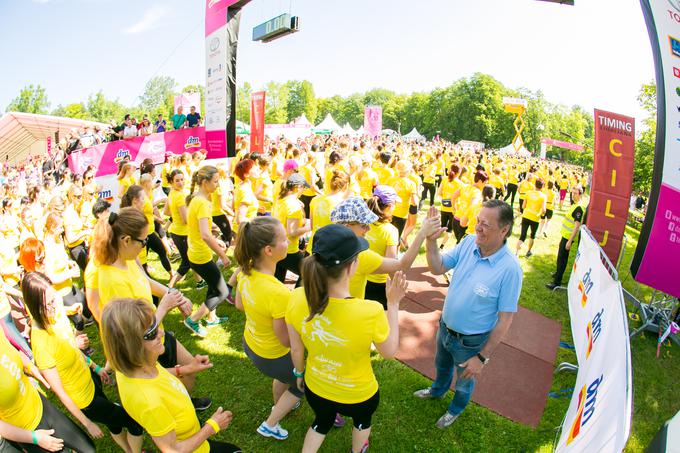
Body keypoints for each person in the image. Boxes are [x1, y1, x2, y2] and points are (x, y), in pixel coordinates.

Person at [285, 224, 408, 453]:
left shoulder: (296, 296)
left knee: (321, 423)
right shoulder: (370, 310)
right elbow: (389, 352)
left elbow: (296, 350)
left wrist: (299, 374)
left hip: (315, 388)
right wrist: (392, 303)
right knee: (361, 424)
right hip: (359, 395)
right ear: (353, 266)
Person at [91, 207, 213, 410]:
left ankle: (183, 403)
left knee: (188, 374)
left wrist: (176, 296)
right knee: (178, 381)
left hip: (157, 334)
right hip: (143, 347)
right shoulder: (111, 279)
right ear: (126, 240)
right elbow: (135, 332)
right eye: (143, 240)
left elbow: (146, 281)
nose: (146, 245)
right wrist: (164, 307)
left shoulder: (126, 260)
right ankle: (180, 413)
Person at [414, 201, 522, 429]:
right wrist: (430, 241)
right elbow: (437, 268)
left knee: (464, 382)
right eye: (478, 221)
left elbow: (506, 319)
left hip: (471, 341)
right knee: (441, 366)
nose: (478, 228)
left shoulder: (510, 269)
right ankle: (437, 391)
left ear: (504, 230)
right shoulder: (467, 243)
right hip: (445, 327)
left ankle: (455, 409)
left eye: (486, 225)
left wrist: (482, 357)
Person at [22, 272, 144, 453]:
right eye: (48, 304)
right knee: (134, 421)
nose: (55, 306)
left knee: (113, 423)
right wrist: (87, 423)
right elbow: (60, 392)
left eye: (54, 298)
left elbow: (72, 349)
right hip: (85, 401)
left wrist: (95, 366)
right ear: (35, 307)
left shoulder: (55, 315)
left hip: (91, 379)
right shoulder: (41, 343)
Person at [100, 298, 241, 453]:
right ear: (132, 346)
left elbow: (157, 377)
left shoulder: (138, 364)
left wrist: (187, 369)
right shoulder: (149, 402)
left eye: (156, 324)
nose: (161, 332)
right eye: (152, 333)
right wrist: (212, 426)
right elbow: (173, 450)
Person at [233, 217, 302, 441]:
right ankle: (270, 424)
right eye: (284, 239)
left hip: (251, 344)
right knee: (305, 381)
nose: (289, 241)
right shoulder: (278, 292)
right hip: (271, 355)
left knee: (284, 376)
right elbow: (285, 341)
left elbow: (239, 305)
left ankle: (280, 405)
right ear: (269, 250)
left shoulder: (245, 271)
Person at [0, 328, 95, 453]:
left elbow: (13, 352)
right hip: (27, 430)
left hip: (42, 405)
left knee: (89, 449)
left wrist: (31, 367)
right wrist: (35, 438)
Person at [184, 166, 231, 337]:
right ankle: (193, 320)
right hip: (201, 255)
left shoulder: (196, 199)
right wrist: (222, 254)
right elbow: (204, 234)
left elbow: (200, 230)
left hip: (196, 252)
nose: (218, 185)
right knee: (223, 291)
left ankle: (212, 318)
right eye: (216, 181)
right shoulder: (202, 202)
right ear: (204, 182)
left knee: (213, 284)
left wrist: (216, 240)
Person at [364, 185, 400, 309]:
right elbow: (390, 264)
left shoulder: (362, 223)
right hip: (379, 283)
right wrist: (397, 284)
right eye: (395, 203)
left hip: (359, 277)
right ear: (389, 206)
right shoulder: (391, 231)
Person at [272, 173, 311, 286]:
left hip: (277, 245)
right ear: (298, 187)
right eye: (303, 187)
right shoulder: (293, 205)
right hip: (289, 249)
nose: (303, 190)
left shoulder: (280, 200)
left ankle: (277, 300)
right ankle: (297, 298)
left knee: (278, 279)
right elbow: (292, 232)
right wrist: (309, 226)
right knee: (306, 274)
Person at [546, 185, 585, 290]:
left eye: (575, 193)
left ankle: (557, 282)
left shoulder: (579, 207)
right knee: (560, 257)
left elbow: (577, 226)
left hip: (568, 237)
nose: (573, 195)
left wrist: (570, 241)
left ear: (580, 194)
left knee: (562, 259)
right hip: (565, 235)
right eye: (572, 193)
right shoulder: (575, 204)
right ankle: (558, 273)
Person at [515, 178, 547, 258]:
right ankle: (528, 251)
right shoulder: (543, 196)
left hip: (526, 216)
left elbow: (523, 206)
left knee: (522, 236)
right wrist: (541, 214)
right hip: (535, 218)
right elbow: (544, 210)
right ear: (542, 186)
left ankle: (517, 253)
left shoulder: (528, 193)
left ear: (535, 184)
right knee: (532, 235)